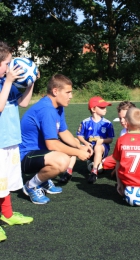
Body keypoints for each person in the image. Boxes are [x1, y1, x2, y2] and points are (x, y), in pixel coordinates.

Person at [20, 74, 91, 205]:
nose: (71, 96)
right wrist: (78, 153)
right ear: (55, 91)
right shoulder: (46, 110)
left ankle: (43, 179)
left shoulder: (57, 106)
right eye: (68, 92)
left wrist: (79, 146)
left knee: (74, 142)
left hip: (40, 153)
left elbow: (63, 132)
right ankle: (31, 185)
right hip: (25, 157)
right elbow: (52, 144)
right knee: (62, 160)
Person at [0, 41, 34, 242]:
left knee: (4, 182)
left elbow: (24, 102)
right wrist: (10, 82)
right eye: (8, 63)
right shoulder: (5, 84)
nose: (11, 68)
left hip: (10, 141)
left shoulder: (6, 83)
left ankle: (8, 214)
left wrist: (31, 83)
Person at [100, 101, 140, 176]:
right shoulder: (123, 132)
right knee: (105, 162)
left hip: (135, 157)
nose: (122, 121)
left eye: (124, 118)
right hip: (124, 156)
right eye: (120, 118)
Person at [77, 96, 115, 184]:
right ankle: (68, 172)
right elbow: (79, 136)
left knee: (98, 147)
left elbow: (110, 139)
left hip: (102, 148)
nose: (105, 109)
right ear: (93, 109)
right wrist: (85, 143)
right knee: (73, 145)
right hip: (89, 147)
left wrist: (102, 141)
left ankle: (94, 172)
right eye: (102, 107)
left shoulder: (107, 123)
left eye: (105, 107)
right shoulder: (85, 122)